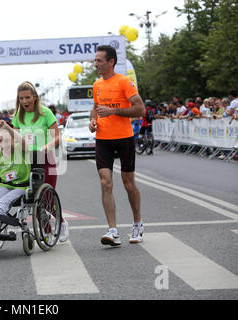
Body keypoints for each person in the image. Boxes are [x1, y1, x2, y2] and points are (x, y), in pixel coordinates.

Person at [0, 81, 69, 242]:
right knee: (33, 199)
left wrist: (47, 145)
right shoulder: (17, 116)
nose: (24, 102)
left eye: (27, 98)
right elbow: (15, 138)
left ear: (35, 97)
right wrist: (4, 141)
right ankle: (47, 232)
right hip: (26, 160)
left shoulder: (45, 113)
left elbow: (57, 137)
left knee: (46, 199)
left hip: (44, 158)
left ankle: (61, 222)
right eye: (21, 98)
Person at [89, 45, 145, 246]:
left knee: (128, 183)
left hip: (124, 138)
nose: (96, 64)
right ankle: (112, 231)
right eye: (95, 60)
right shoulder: (96, 85)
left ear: (110, 61)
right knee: (105, 182)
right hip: (103, 139)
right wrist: (92, 121)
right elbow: (95, 108)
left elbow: (140, 109)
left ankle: (137, 224)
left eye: (99, 60)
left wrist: (113, 112)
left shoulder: (124, 82)